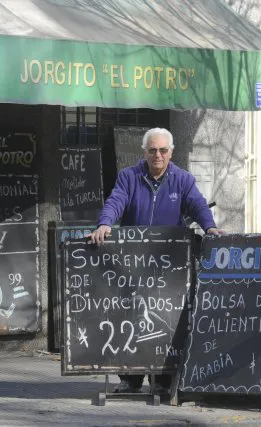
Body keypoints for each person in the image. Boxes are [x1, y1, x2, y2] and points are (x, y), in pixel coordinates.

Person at [88, 127, 223, 394]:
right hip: (132, 263)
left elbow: (197, 204)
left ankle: (161, 379)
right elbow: (116, 201)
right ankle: (130, 378)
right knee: (130, 317)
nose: (157, 155)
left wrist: (209, 227)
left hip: (166, 265)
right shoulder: (129, 176)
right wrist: (105, 223)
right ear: (144, 152)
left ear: (171, 152)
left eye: (163, 150)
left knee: (164, 318)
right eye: (152, 150)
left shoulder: (182, 180)